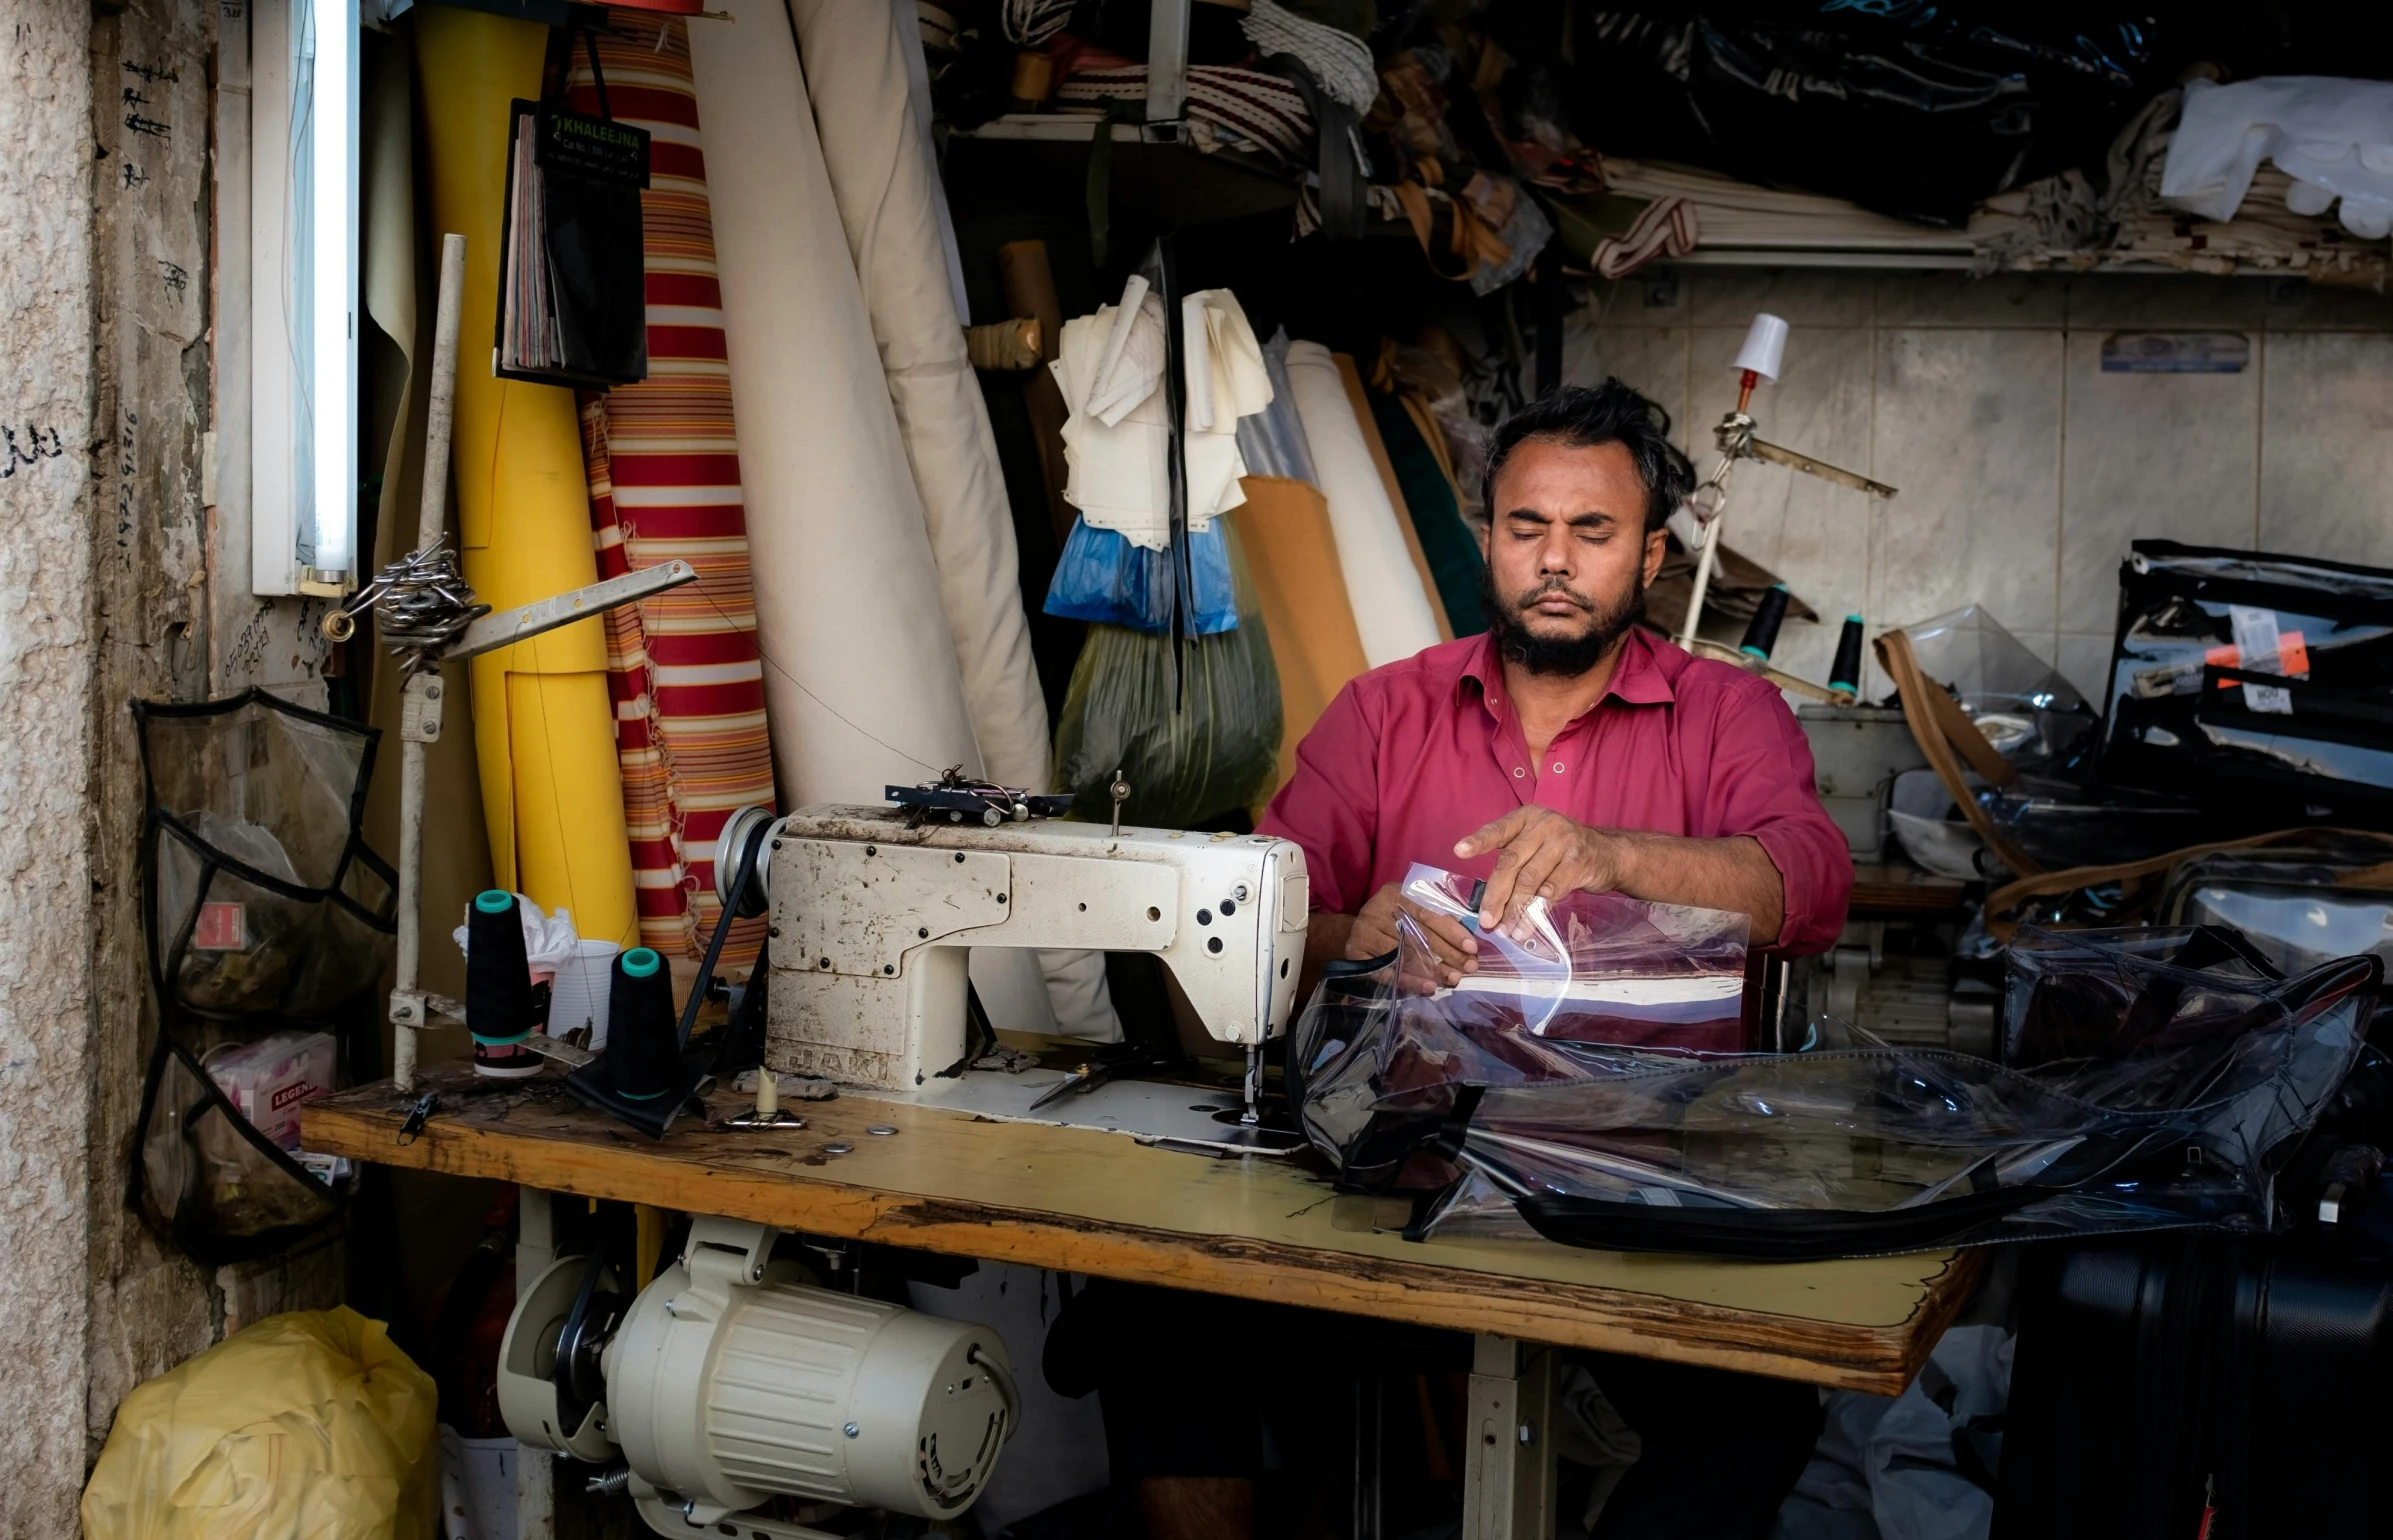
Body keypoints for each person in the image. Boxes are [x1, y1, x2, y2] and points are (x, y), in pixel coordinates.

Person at [1058, 380, 1851, 1539]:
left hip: (1633, 1184)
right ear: (1484, 537)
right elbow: (1248, 909)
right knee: (1153, 1320)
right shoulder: (1386, 711)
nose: (1555, 560)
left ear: (1649, 552)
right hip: (1396, 1178)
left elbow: (1807, 888)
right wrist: (1349, 938)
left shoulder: (1726, 716)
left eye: (1593, 531)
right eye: (1527, 527)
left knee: (1759, 1412)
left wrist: (1616, 857)